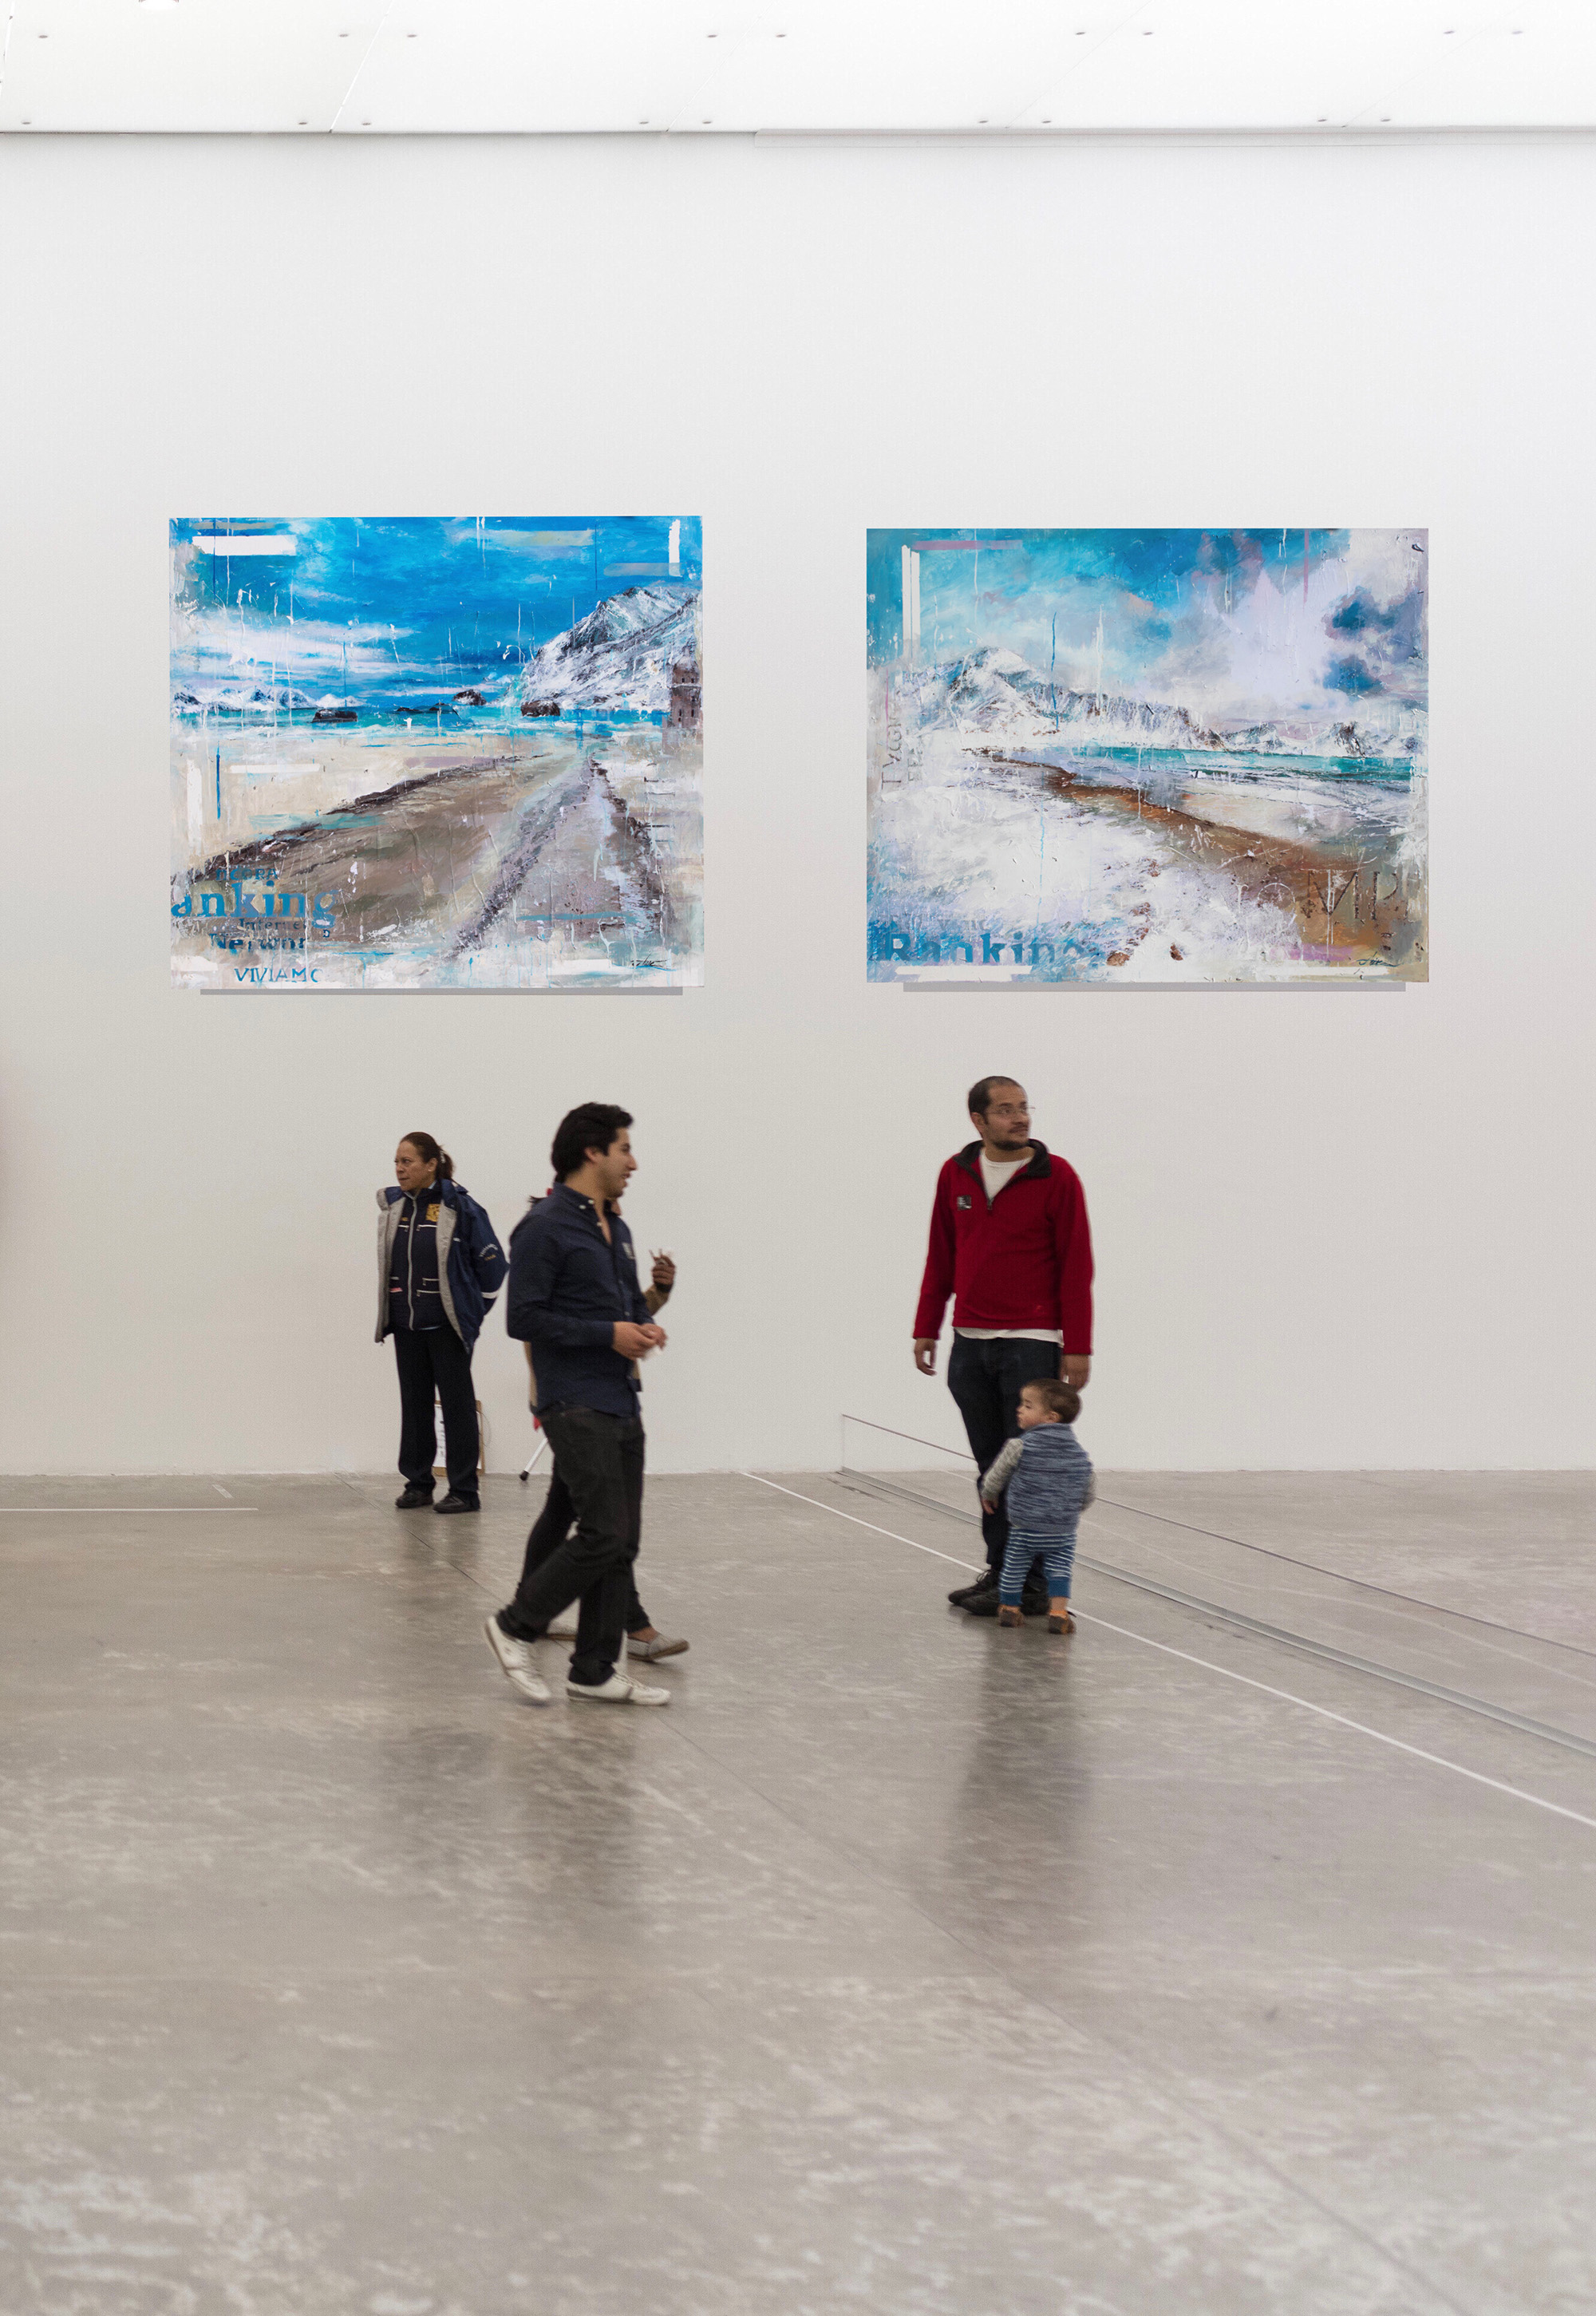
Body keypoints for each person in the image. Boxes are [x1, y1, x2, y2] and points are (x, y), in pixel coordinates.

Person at [483, 1102, 671, 1707]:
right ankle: (515, 1625)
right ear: (593, 1152)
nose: (633, 1163)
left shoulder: (617, 1228)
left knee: (621, 1542)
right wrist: (607, 1334)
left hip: (620, 1399)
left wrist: (644, 1323)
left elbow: (625, 1305)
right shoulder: (544, 1227)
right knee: (601, 1534)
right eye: (625, 1149)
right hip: (574, 1401)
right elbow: (522, 1318)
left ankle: (593, 1670)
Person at [913, 1076, 1093, 1618]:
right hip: (970, 1343)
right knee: (991, 1466)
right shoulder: (956, 1173)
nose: (1021, 1118)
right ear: (979, 1120)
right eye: (1006, 1110)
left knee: (1031, 1469)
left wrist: (1078, 1345)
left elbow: (1076, 1265)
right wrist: (927, 1326)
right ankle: (1003, 1574)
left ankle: (1032, 1583)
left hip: (1032, 1344)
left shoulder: (1057, 1176)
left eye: (1024, 1108)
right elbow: (941, 1254)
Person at [519, 1239, 689, 1662]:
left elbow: (618, 1315)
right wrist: (550, 1402)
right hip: (578, 1405)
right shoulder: (553, 1237)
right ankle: (632, 1627)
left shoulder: (605, 1238)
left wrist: (658, 1294)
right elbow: (543, 1325)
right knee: (607, 1524)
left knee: (563, 1509)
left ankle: (529, 1614)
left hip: (599, 1401)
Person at [377, 1133, 508, 1515]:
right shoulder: (395, 1207)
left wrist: (472, 1311)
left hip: (448, 1329)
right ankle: (419, 1484)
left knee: (457, 1408)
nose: (399, 1169)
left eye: (407, 1162)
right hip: (407, 1326)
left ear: (431, 1164)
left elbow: (494, 1266)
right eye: (396, 1162)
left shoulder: (461, 1207)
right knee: (415, 1406)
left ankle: (465, 1490)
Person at [979, 1380, 1094, 1632]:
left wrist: (989, 1494)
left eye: (1028, 1406)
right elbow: (1088, 1492)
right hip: (1062, 1529)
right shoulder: (1080, 1454)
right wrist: (1069, 1510)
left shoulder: (1020, 1445)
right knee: (1060, 1569)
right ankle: (1058, 1613)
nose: (1019, 1409)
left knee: (1015, 1566)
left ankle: (1009, 1609)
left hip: (1025, 1524)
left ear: (1051, 1417)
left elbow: (996, 1475)